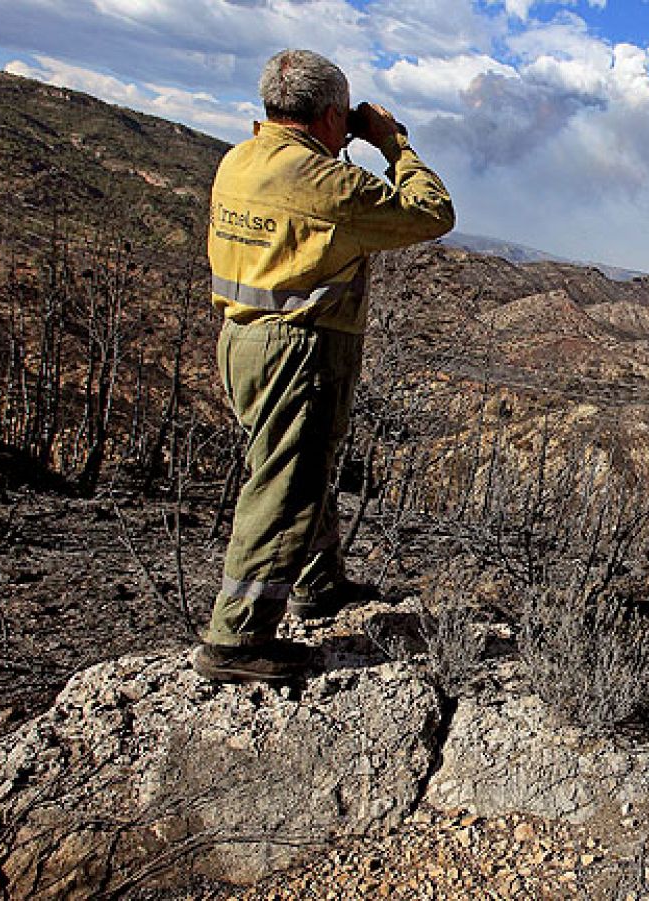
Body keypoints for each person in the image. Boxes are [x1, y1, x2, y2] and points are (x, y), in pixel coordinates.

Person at [193, 49, 455, 683]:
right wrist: (394, 144)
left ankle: (318, 585)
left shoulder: (240, 160)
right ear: (333, 114)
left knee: (302, 465)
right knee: (284, 484)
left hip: (242, 338)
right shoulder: (327, 182)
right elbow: (432, 213)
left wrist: (342, 137)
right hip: (300, 348)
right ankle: (236, 638)